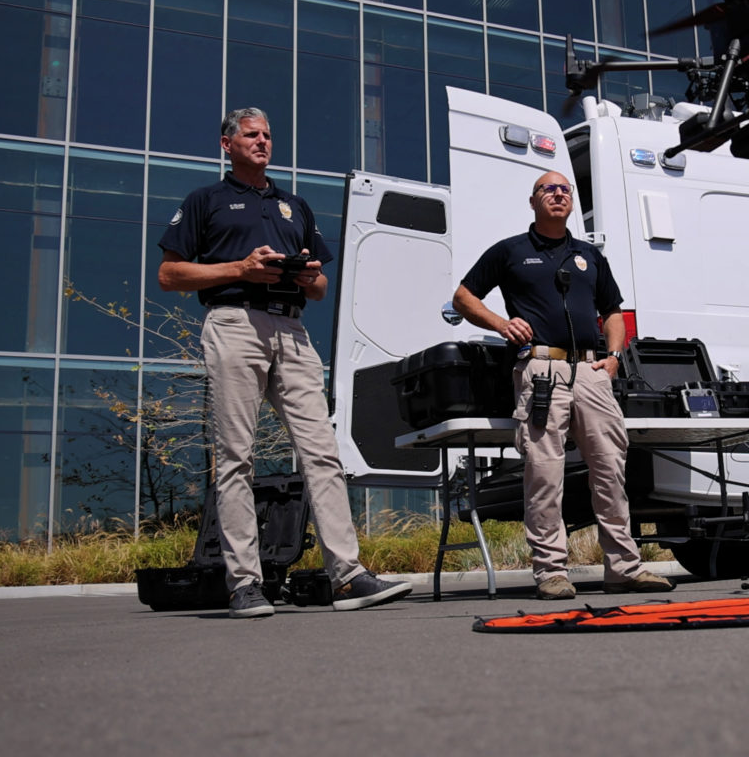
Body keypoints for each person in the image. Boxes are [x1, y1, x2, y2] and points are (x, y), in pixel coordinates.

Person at [158, 108, 412, 618]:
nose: (263, 141)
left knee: (322, 453)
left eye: (268, 135)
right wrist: (241, 268)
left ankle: (348, 575)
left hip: (292, 331)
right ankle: (245, 584)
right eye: (251, 134)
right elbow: (169, 274)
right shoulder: (206, 201)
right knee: (235, 456)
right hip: (234, 324)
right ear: (226, 144)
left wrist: (303, 276)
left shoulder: (293, 205)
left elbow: (319, 287)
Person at [452, 170, 674, 600]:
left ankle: (623, 568)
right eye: (547, 189)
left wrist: (612, 357)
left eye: (564, 189)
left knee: (611, 469)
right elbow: (463, 297)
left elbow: (613, 310)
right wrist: (501, 323)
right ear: (532, 201)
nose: (557, 194)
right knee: (544, 473)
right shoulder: (510, 251)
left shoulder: (588, 255)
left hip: (592, 373)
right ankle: (552, 572)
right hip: (541, 371)